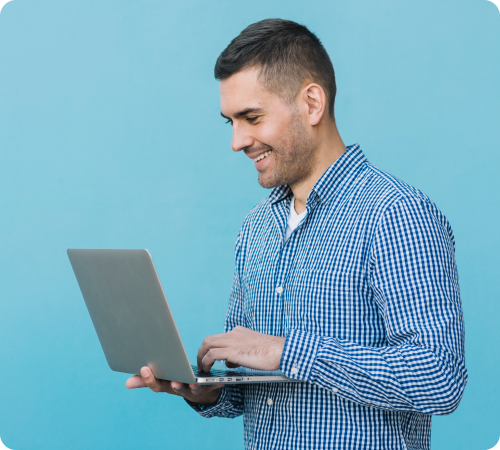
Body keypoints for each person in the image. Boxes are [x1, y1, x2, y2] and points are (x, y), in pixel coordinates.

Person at [126, 18, 467, 450]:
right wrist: (208, 391)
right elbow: (252, 380)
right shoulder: (256, 228)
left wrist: (290, 351)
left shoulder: (396, 214)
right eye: (230, 122)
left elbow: (440, 378)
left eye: (251, 117)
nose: (237, 141)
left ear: (311, 104)